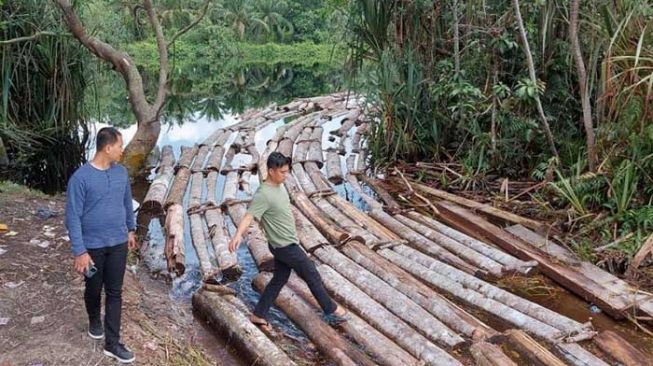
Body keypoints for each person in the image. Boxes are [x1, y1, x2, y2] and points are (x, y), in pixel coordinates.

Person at [228, 152, 348, 327]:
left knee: (279, 279)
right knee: (311, 274)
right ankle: (331, 310)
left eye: (287, 171)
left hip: (284, 244)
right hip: (285, 246)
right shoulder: (264, 194)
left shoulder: (279, 185)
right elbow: (249, 216)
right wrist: (237, 235)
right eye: (282, 172)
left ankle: (258, 314)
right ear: (270, 171)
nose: (286, 175)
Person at [65, 127, 137, 364]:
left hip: (118, 244)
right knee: (93, 289)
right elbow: (72, 217)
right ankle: (94, 319)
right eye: (120, 146)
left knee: (115, 292)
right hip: (92, 248)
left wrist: (130, 229)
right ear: (108, 148)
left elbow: (127, 202)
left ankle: (112, 343)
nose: (122, 150)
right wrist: (80, 251)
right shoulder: (81, 178)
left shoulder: (121, 173)